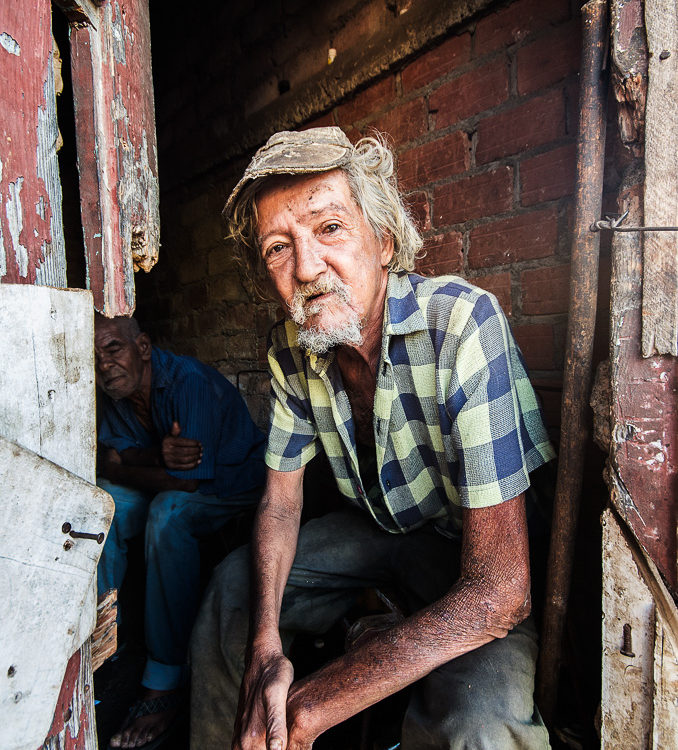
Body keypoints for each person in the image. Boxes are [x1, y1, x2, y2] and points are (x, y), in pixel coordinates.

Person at [190, 126, 556, 750]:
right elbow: (281, 501)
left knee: (480, 729)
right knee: (232, 592)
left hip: (467, 547)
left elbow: (499, 589)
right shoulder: (291, 348)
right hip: (373, 530)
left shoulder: (463, 323)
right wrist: (264, 647)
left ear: (383, 240)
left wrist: (312, 706)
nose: (305, 268)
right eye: (278, 247)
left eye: (329, 228)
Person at [94, 314, 266, 749]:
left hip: (234, 483)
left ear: (144, 348)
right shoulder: (117, 395)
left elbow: (187, 481)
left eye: (113, 349)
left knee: (168, 513)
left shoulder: (188, 382)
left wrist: (123, 465)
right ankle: (99, 646)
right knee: (102, 504)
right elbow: (113, 460)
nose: (104, 365)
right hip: (174, 481)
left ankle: (164, 682)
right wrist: (150, 458)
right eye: (95, 356)